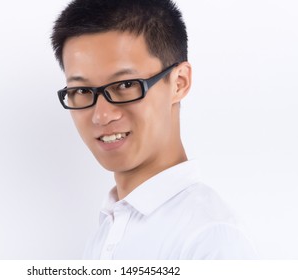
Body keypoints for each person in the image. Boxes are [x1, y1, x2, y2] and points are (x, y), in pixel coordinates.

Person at [51, 0, 256, 259]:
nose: (101, 115)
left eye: (125, 85)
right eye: (81, 91)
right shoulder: (106, 231)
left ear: (179, 83)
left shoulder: (209, 238)